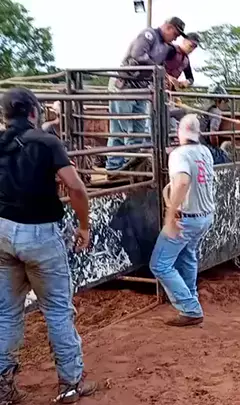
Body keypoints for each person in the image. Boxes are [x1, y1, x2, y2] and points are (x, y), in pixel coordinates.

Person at [0, 88, 95, 404]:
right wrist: (83, 226)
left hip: (2, 232)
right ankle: (70, 384)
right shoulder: (46, 142)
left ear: (5, 115)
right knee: (56, 310)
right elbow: (76, 188)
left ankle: (3, 388)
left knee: (6, 312)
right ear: (32, 112)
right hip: (40, 234)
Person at [150, 114, 215, 327]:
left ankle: (190, 307)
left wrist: (170, 213)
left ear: (180, 131)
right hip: (204, 216)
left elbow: (183, 181)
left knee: (160, 264)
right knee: (188, 255)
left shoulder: (179, 155)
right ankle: (190, 299)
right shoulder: (205, 151)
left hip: (186, 218)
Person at [106, 17, 186, 171]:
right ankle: (115, 166)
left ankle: (130, 166)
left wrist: (164, 76)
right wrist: (159, 71)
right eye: (175, 34)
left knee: (138, 129)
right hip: (125, 84)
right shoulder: (149, 35)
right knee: (122, 128)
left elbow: (162, 64)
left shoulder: (165, 47)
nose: (175, 38)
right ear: (168, 27)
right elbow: (137, 55)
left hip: (141, 87)